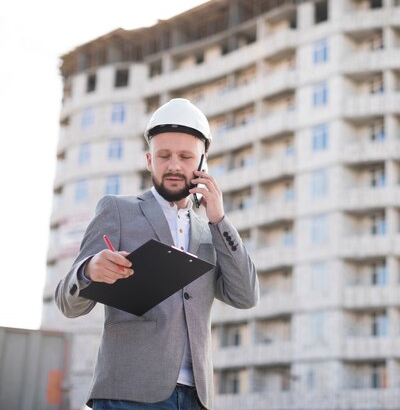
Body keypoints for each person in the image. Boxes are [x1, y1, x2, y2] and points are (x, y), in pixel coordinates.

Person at [55, 98, 259, 410]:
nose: (174, 165)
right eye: (164, 156)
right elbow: (67, 304)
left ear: (203, 164)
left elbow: (245, 295)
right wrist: (88, 271)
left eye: (185, 157)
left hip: (196, 398)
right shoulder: (118, 210)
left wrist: (219, 220)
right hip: (128, 393)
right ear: (150, 160)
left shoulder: (210, 231)